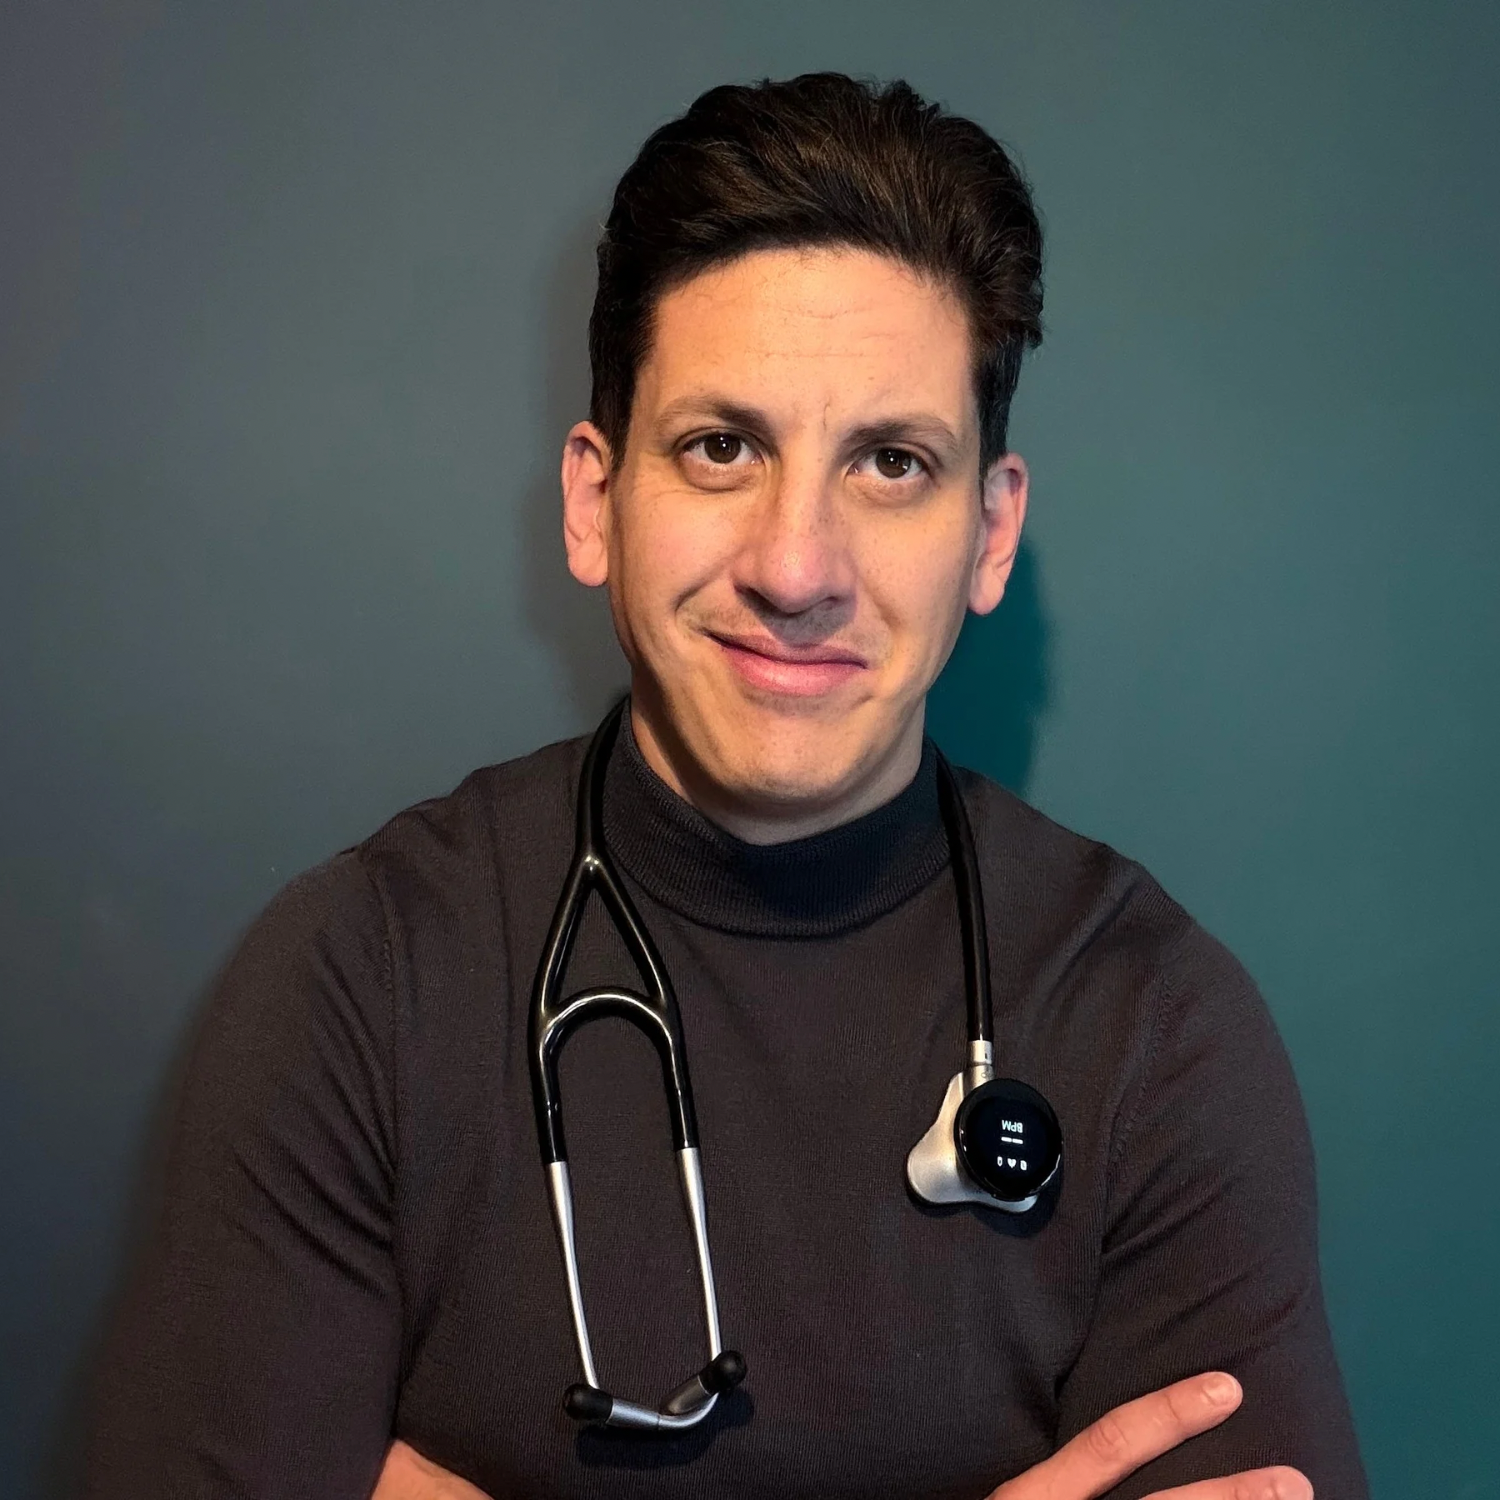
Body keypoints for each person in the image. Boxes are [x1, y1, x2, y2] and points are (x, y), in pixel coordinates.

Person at [81, 74, 1366, 1500]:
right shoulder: (361, 982)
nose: (795, 565)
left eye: (891, 462)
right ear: (594, 501)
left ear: (990, 536)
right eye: (720, 447)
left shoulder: (1157, 1035)